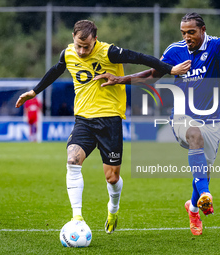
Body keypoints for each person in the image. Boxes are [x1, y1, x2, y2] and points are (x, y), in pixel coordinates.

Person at [15, 20, 190, 234]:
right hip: (83, 120)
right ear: (73, 38)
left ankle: (113, 208)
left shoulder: (109, 52)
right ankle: (77, 217)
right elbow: (55, 70)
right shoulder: (68, 54)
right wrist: (34, 92)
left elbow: (141, 58)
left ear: (94, 40)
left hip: (110, 120)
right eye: (78, 45)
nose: (81, 51)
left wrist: (170, 69)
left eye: (86, 47)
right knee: (72, 160)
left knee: (112, 177)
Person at [94, 13, 220, 235]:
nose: (187, 37)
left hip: (213, 119)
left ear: (203, 30)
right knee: (194, 135)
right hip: (182, 116)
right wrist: (119, 79)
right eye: (183, 33)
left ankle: (194, 207)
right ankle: (206, 195)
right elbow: (152, 75)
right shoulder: (174, 51)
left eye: (191, 32)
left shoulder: (217, 47)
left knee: (204, 171)